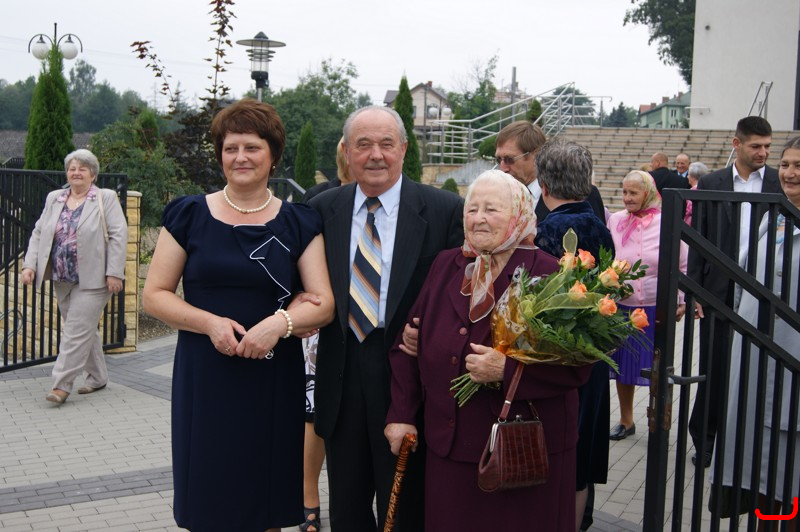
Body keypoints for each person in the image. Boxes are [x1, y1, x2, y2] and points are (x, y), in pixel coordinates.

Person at [142, 98, 335, 532]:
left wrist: (279, 324)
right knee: (209, 497)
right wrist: (209, 323)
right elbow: (154, 296)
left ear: (273, 155)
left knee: (265, 501)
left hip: (273, 378)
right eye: (231, 148)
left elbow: (323, 303)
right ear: (220, 155)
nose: (240, 157)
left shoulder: (299, 222)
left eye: (252, 147)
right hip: (206, 376)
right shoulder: (189, 214)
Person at [385, 169, 592, 531]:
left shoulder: (551, 274)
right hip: (450, 451)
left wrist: (507, 370)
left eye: (491, 209)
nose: (478, 218)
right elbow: (407, 346)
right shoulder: (446, 266)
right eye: (472, 208)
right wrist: (401, 413)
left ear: (519, 215)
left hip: (522, 454)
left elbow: (579, 365)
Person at [308, 105, 464, 532]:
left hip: (409, 377)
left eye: (386, 144)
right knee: (346, 510)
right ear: (346, 152)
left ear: (404, 149)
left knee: (405, 510)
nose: (375, 155)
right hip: (342, 374)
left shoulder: (444, 210)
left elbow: (459, 297)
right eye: (363, 145)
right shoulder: (321, 209)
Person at [687, 116, 783, 468]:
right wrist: (694, 292)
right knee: (714, 367)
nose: (763, 153)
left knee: (758, 368)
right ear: (736, 144)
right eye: (756, 146)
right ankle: (706, 439)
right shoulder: (712, 183)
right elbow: (697, 239)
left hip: (766, 291)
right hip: (718, 291)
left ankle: (749, 440)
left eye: (768, 146)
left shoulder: (777, 182)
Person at [530, 138, 615, 532]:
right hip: (592, 356)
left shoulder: (547, 229)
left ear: (543, 185)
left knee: (556, 453)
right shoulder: (600, 225)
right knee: (580, 462)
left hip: (556, 359)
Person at [715, 136, 800, 527]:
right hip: (755, 351)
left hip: (790, 355)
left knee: (787, 460)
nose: (790, 173)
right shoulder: (774, 216)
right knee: (755, 462)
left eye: (799, 166)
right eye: (786, 164)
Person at [21, 149, 128, 405]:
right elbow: (39, 232)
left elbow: (118, 234)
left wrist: (114, 272)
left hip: (95, 279)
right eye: (72, 168)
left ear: (93, 174)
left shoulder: (104, 197)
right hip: (62, 277)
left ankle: (61, 384)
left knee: (75, 331)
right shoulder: (55, 198)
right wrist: (29, 264)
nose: (76, 173)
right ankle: (98, 377)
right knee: (83, 329)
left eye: (82, 168)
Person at [298, 136, 352, 532]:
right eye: (355, 147)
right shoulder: (319, 199)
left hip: (368, 327)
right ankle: (307, 495)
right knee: (313, 413)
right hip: (320, 326)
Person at [608, 171, 687, 440]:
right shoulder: (616, 221)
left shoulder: (666, 222)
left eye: (633, 193)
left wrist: (681, 299)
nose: (627, 198)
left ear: (648, 194)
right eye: (624, 192)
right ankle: (626, 419)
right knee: (624, 365)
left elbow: (682, 264)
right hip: (623, 306)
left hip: (656, 307)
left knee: (658, 366)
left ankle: (658, 419)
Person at [494, 120, 606, 221]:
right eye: (499, 159)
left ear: (536, 155)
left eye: (509, 159)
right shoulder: (497, 197)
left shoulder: (579, 194)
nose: (502, 168)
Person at [684, 161, 710, 226]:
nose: (687, 177)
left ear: (693, 177)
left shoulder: (692, 192)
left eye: (688, 174)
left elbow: (689, 211)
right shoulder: (706, 189)